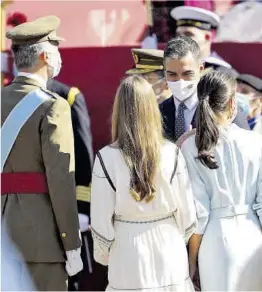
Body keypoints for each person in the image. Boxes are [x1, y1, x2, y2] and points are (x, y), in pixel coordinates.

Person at [90, 75, 197, 291]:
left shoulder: (105, 157)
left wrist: (105, 255)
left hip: (127, 249)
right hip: (169, 246)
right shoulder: (172, 153)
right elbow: (188, 217)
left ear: (119, 110)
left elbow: (101, 222)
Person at [2, 15, 83, 290]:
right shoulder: (54, 107)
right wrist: (71, 243)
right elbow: (61, 180)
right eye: (56, 49)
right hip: (41, 242)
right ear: (46, 56)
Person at [177, 70, 262, 291]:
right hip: (254, 237)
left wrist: (192, 261)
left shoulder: (189, 146)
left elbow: (200, 213)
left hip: (215, 242)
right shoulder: (256, 141)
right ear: (233, 103)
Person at [160, 36, 249, 143]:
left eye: (187, 74)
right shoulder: (158, 111)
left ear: (200, 69)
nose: (180, 81)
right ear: (165, 72)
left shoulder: (223, 107)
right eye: (172, 74)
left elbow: (245, 148)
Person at [170, 6, 231, 70]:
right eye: (178, 35)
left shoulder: (222, 73)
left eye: (188, 34)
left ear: (207, 37)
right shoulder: (170, 67)